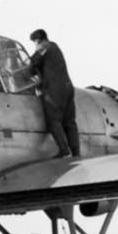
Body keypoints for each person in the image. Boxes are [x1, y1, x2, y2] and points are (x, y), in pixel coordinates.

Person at [28, 28, 80, 158]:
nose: (35, 46)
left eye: (35, 43)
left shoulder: (44, 49)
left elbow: (32, 65)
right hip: (68, 88)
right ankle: (76, 152)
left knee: (54, 120)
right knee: (70, 122)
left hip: (54, 90)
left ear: (39, 41)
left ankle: (64, 149)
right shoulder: (55, 47)